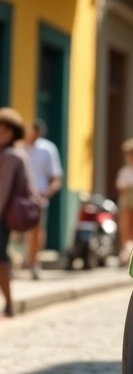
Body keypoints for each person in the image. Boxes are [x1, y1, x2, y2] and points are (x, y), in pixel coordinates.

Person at [0, 108, 36, 318]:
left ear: (10, 131)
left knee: (1, 260)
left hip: (3, 216)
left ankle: (9, 303)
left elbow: (3, 191)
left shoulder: (12, 156)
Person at [22, 118, 62, 279]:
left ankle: (34, 263)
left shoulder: (48, 149)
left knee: (37, 229)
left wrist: (46, 193)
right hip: (18, 195)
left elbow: (56, 176)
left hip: (38, 195)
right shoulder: (19, 147)